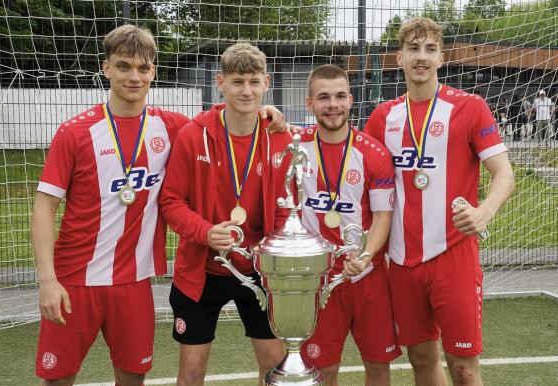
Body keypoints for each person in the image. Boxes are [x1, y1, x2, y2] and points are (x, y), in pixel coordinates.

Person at [31, 26, 285, 386]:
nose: (134, 77)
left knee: (134, 376)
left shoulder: (170, 127)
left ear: (153, 71)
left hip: (135, 281)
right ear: (106, 68)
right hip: (76, 279)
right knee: (58, 379)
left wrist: (264, 112)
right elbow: (44, 207)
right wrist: (47, 280)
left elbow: (223, 119)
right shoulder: (75, 132)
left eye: (143, 68)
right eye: (123, 67)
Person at [364, 17, 514, 386]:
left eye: (430, 49)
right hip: (401, 260)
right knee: (421, 360)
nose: (421, 57)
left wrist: (484, 212)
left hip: (454, 256)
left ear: (441, 58)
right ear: (398, 57)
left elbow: (504, 173)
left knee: (463, 367)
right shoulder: (383, 116)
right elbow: (349, 158)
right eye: (413, 49)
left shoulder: (470, 107)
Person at [160, 43, 291, 386]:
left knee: (276, 367)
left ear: (267, 82)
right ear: (220, 82)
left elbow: (286, 206)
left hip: (258, 271)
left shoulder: (279, 137)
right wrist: (205, 231)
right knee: (190, 371)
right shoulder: (193, 136)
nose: (246, 90)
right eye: (237, 81)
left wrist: (270, 248)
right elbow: (170, 201)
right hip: (202, 271)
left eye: (253, 81)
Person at [297, 64, 401, 386]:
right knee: (322, 370)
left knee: (378, 366)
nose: (333, 104)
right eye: (324, 97)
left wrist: (366, 256)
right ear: (309, 103)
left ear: (351, 100)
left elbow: (384, 216)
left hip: (367, 277)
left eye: (340, 96)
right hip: (317, 281)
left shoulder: (373, 152)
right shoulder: (294, 150)